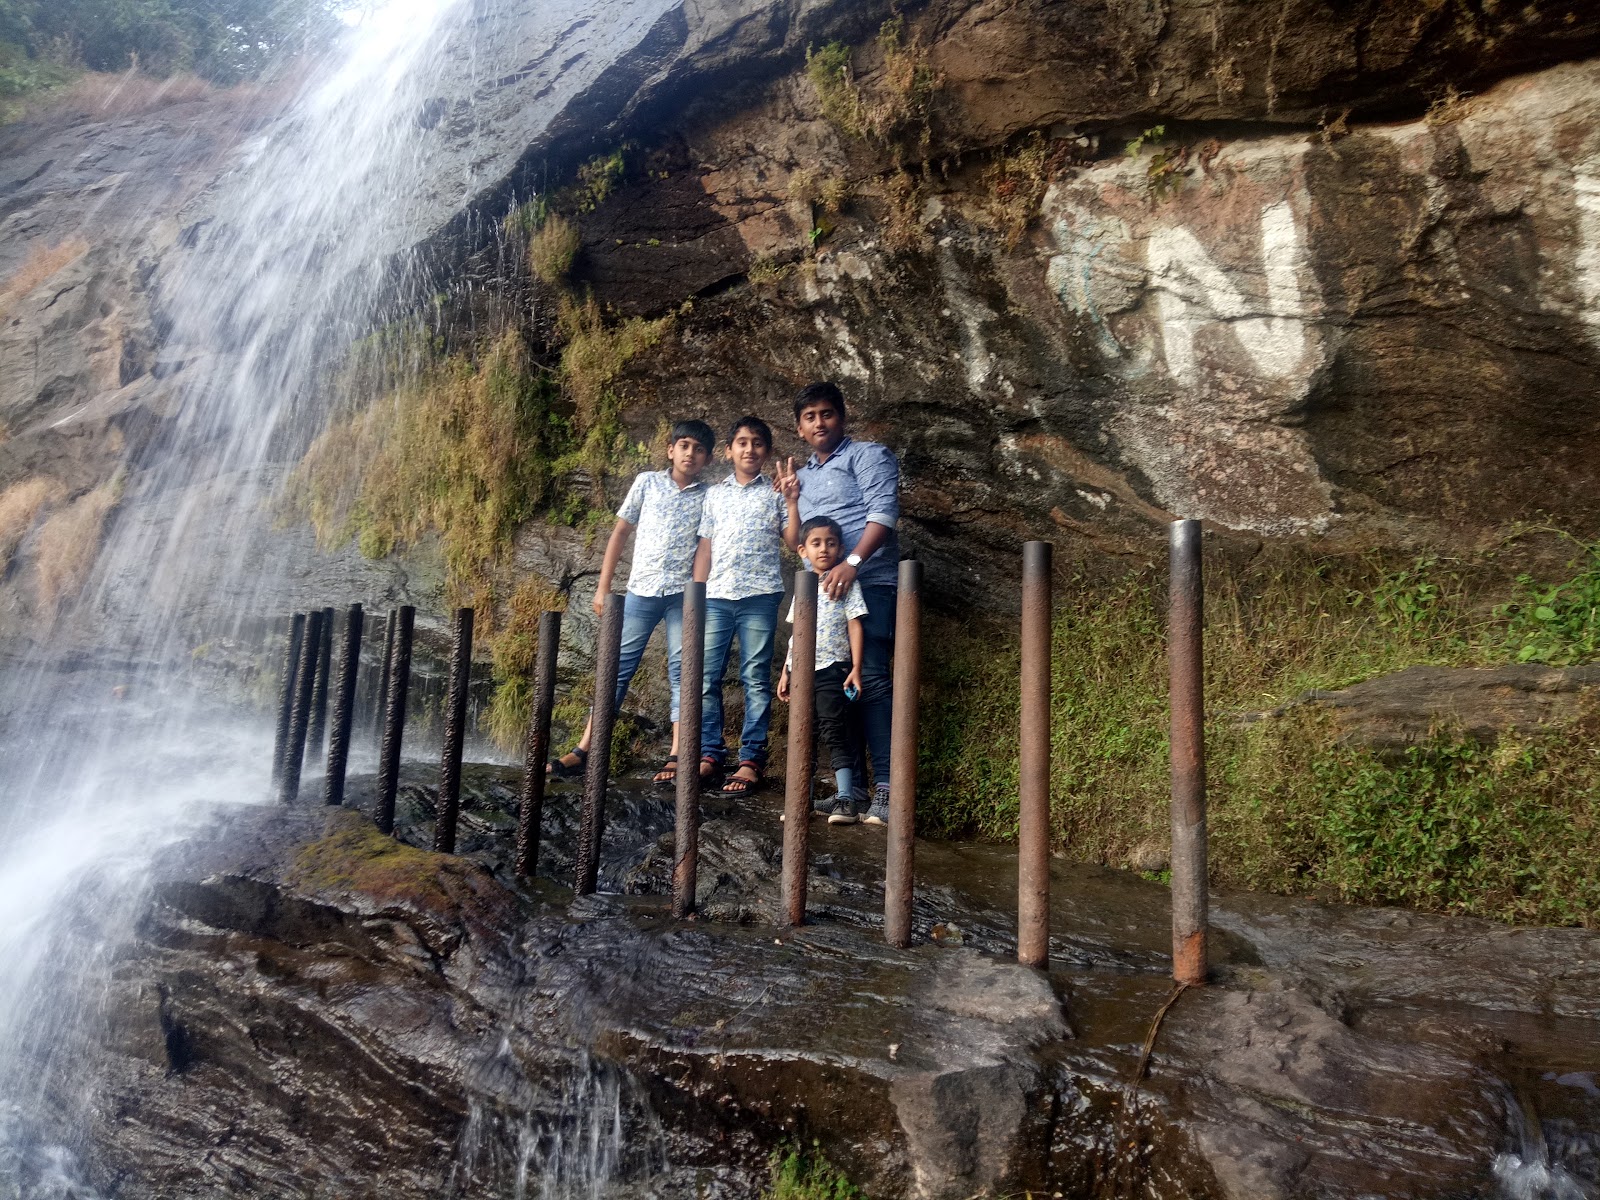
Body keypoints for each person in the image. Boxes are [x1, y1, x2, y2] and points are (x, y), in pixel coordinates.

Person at [549, 419, 713, 787]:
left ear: (707, 458)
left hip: (681, 597)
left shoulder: (708, 495)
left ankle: (677, 751)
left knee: (682, 670)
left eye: (698, 449)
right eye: (684, 445)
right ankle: (586, 747)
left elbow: (705, 547)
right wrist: (602, 587)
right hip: (640, 591)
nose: (690, 453)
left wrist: (698, 596)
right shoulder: (647, 482)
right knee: (615, 666)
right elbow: (620, 532)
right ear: (671, 449)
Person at [772, 381, 899, 826]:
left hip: (872, 582)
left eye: (826, 413)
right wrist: (790, 501)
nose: (819, 422)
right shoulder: (799, 477)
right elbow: (795, 544)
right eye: (809, 417)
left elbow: (883, 512)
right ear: (799, 427)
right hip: (821, 596)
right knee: (835, 690)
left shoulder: (869, 455)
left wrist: (852, 562)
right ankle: (854, 792)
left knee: (874, 680)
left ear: (842, 416)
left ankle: (887, 790)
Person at [691, 415, 799, 796]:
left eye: (757, 443)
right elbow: (705, 546)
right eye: (742, 442)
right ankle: (710, 753)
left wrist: (790, 500)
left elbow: (793, 541)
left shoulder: (774, 492)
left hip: (759, 596)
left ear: (766, 451)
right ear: (728, 451)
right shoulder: (714, 494)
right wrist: (697, 595)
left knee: (755, 678)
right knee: (706, 678)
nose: (749, 449)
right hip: (717, 597)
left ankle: (751, 760)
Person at [777, 517, 867, 825]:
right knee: (805, 733)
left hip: (833, 669)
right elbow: (795, 636)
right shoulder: (802, 586)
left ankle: (846, 799)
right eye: (816, 543)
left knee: (834, 729)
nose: (823, 549)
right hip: (802, 670)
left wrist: (855, 667)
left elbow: (855, 623)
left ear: (841, 548)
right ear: (803, 550)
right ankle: (803, 798)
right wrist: (786, 672)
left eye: (830, 543)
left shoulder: (845, 583)